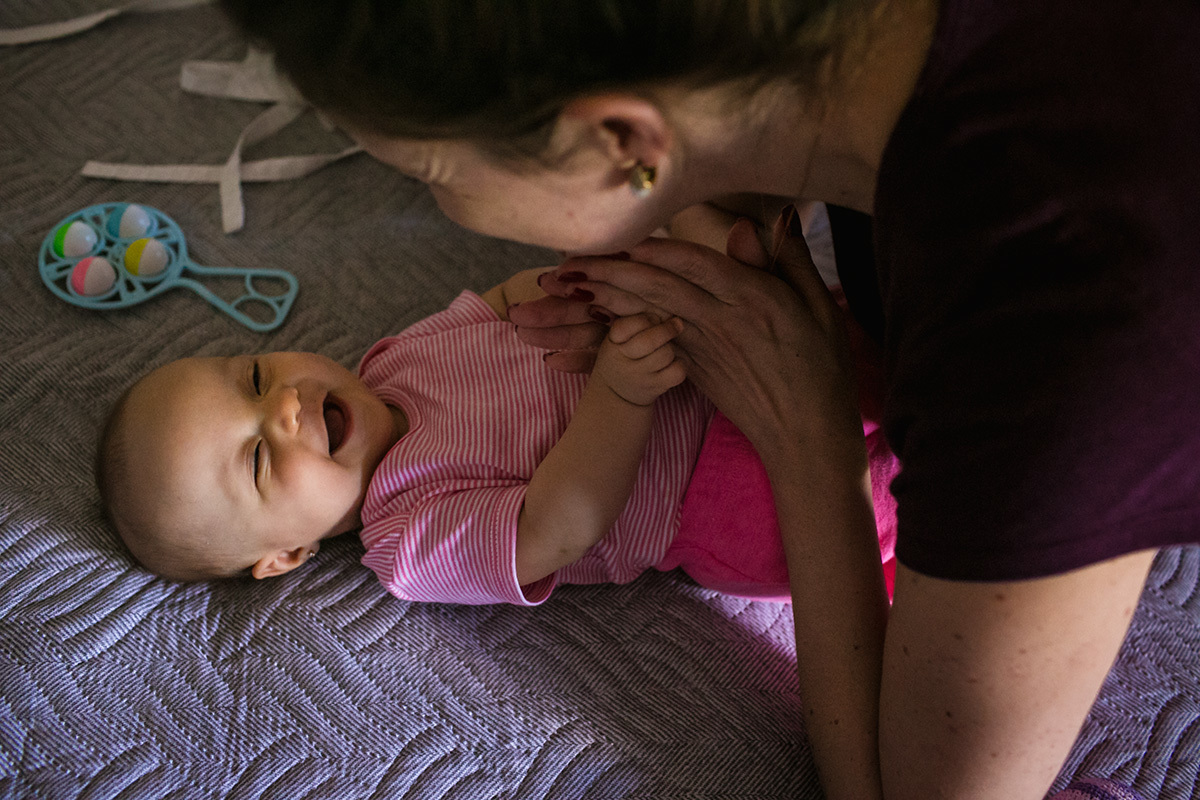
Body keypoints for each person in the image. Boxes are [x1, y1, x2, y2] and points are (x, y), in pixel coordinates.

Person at [213, 1, 1199, 798]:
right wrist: (714, 213)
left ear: (618, 138)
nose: (444, 209)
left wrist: (804, 426)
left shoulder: (1058, 317)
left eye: (426, 175)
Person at [97, 219, 899, 603]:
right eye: (257, 459)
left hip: (708, 355)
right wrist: (619, 391)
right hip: (723, 496)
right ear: (288, 553)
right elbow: (558, 526)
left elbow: (507, 305)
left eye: (253, 376)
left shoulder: (392, 360)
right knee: (899, 498)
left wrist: (580, 286)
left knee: (880, 342)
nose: (281, 408)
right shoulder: (406, 540)